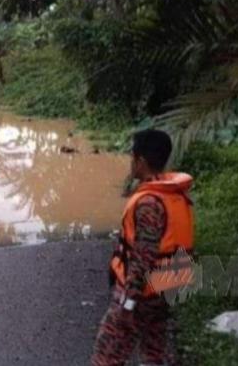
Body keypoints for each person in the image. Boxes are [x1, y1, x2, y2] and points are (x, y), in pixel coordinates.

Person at [91, 129, 194, 366]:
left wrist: (128, 303)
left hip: (142, 295)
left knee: (107, 356)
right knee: (154, 353)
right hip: (165, 291)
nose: (130, 162)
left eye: (132, 157)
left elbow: (143, 257)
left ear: (141, 161)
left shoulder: (149, 202)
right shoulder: (174, 195)